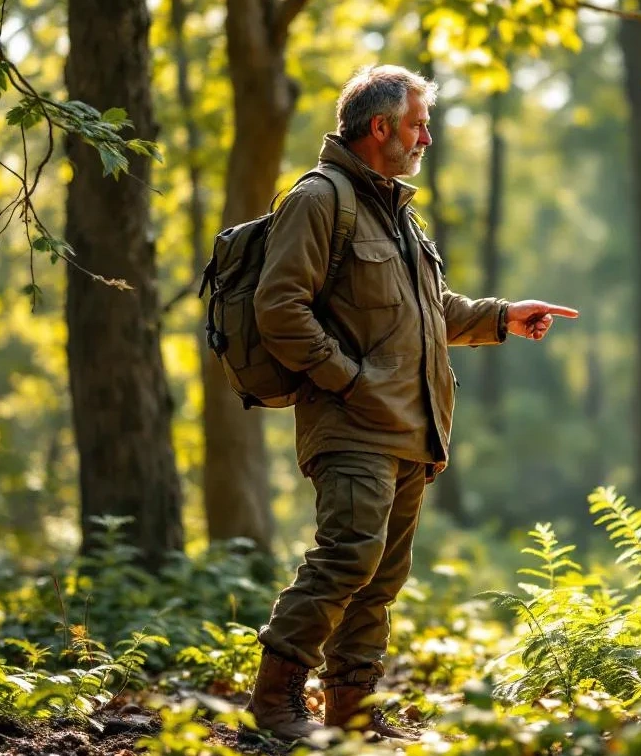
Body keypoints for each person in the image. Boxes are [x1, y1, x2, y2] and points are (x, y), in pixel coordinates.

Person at [246, 64, 578, 741]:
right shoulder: (319, 199)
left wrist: (503, 315)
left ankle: (353, 713)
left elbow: (430, 311)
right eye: (419, 124)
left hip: (409, 430)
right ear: (380, 128)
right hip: (351, 427)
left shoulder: (395, 209)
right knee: (348, 559)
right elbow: (278, 308)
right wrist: (348, 381)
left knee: (380, 578)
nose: (427, 136)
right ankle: (274, 703)